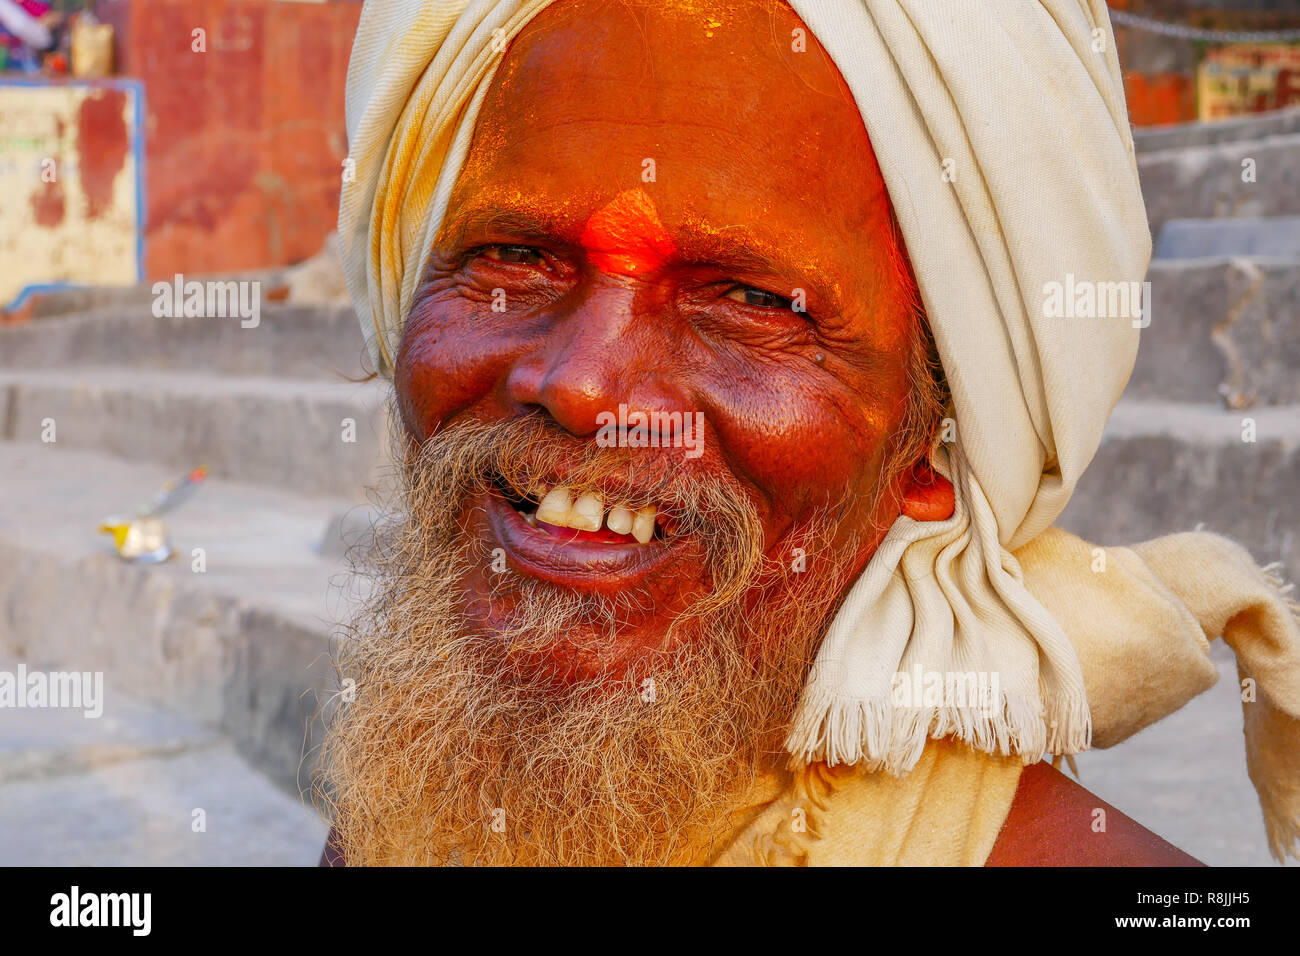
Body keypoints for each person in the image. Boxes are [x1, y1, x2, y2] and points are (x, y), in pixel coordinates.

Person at [322, 0, 1300, 866]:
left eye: (747, 299)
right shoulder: (418, 791)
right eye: (512, 255)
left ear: (936, 444)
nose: (580, 384)